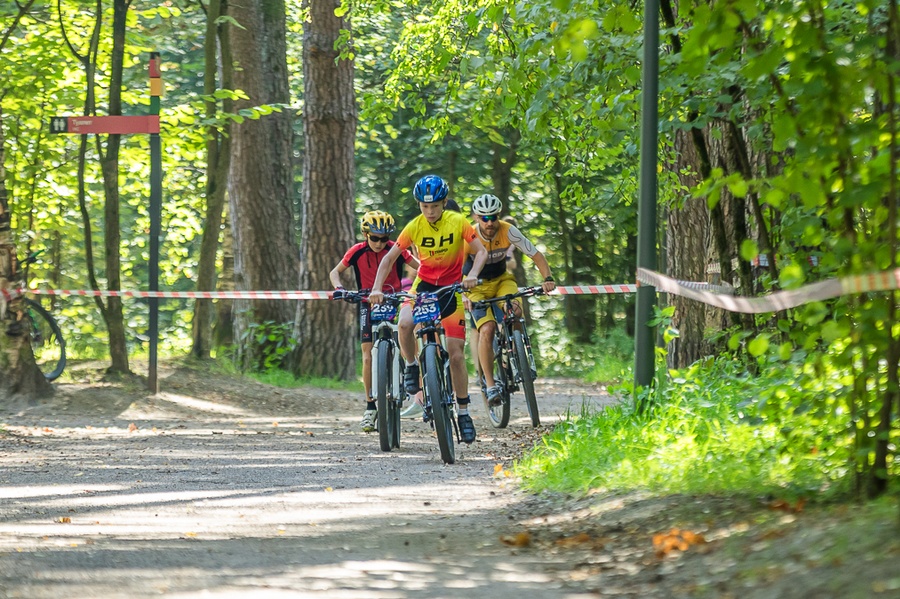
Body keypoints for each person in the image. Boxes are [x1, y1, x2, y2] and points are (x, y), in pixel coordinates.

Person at [368, 174, 487, 444]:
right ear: (419, 205)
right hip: (423, 288)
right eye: (424, 206)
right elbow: (388, 258)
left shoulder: (458, 222)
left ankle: (464, 412)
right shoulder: (414, 226)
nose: (430, 211)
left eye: (434, 206)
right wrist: (376, 288)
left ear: (444, 203)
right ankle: (412, 366)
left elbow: (480, 251)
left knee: (456, 356)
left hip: (451, 290)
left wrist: (473, 275)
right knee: (405, 324)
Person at [463, 194, 556, 407]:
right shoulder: (468, 235)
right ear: (476, 217)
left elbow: (535, 254)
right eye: (484, 218)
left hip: (501, 280)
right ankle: (490, 384)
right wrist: (463, 294)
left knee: (515, 311)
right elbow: (456, 268)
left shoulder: (508, 230)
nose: (489, 223)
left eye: (493, 217)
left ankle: (520, 353)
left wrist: (547, 278)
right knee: (486, 330)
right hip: (475, 286)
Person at [330, 210, 418, 432]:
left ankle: (406, 370)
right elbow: (334, 272)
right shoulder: (356, 252)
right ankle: (370, 406)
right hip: (366, 301)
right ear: (365, 233)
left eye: (384, 238)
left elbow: (421, 266)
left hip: (394, 298)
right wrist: (339, 289)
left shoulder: (395, 249)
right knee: (367, 354)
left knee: (404, 333)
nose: (379, 243)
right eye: (375, 238)